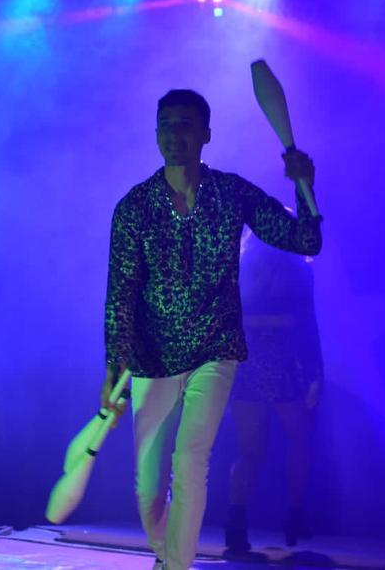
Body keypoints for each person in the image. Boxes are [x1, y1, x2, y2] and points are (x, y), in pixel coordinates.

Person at [101, 87, 322, 570]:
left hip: (215, 350)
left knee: (191, 461)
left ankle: (175, 566)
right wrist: (114, 363)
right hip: (152, 356)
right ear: (156, 134)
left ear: (205, 134)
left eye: (184, 124)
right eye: (165, 125)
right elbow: (121, 291)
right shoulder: (134, 207)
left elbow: (304, 240)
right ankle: (168, 555)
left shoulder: (231, 193)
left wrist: (304, 188)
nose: (173, 134)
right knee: (147, 488)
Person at [223, 227, 323, 552]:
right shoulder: (298, 271)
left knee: (250, 452)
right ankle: (295, 514)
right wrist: (314, 372)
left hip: (247, 364)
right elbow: (307, 325)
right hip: (285, 364)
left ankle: (236, 522)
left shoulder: (238, 267)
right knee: (300, 441)